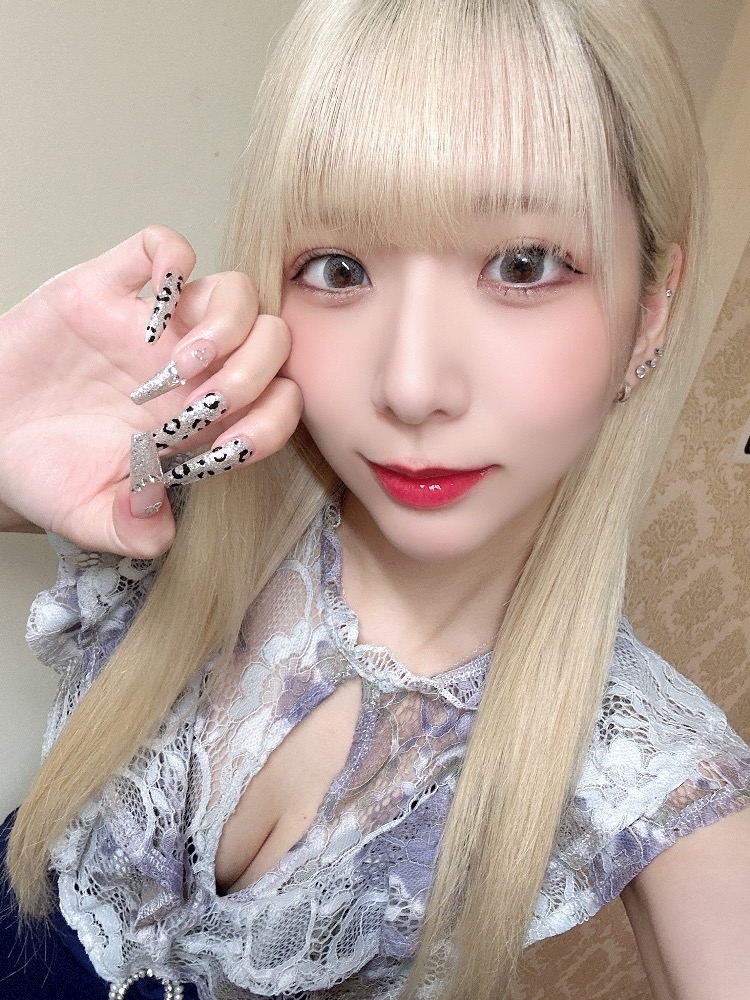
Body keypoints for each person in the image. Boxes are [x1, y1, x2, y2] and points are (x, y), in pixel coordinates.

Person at [1, 0, 749, 998]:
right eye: (340, 269)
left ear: (650, 312)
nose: (410, 385)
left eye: (522, 265)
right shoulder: (185, 477)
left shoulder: (653, 770)